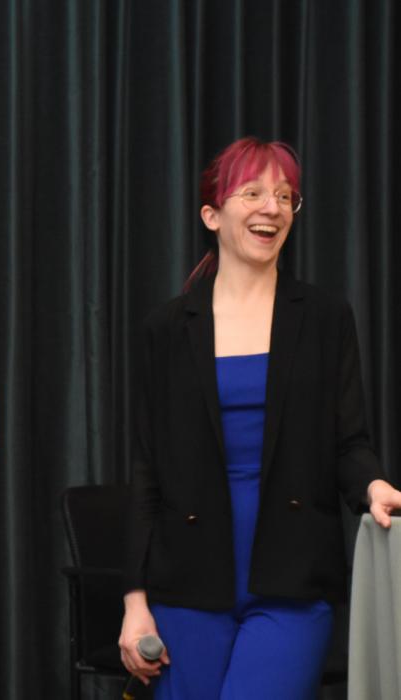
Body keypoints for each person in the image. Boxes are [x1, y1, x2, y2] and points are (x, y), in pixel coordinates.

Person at [118, 136, 401, 698]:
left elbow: (349, 442)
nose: (272, 207)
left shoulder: (325, 318)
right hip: (187, 585)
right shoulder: (167, 330)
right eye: (252, 193)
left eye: (285, 195)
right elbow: (148, 473)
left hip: (293, 579)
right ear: (212, 215)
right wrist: (134, 602)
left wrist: (373, 486)